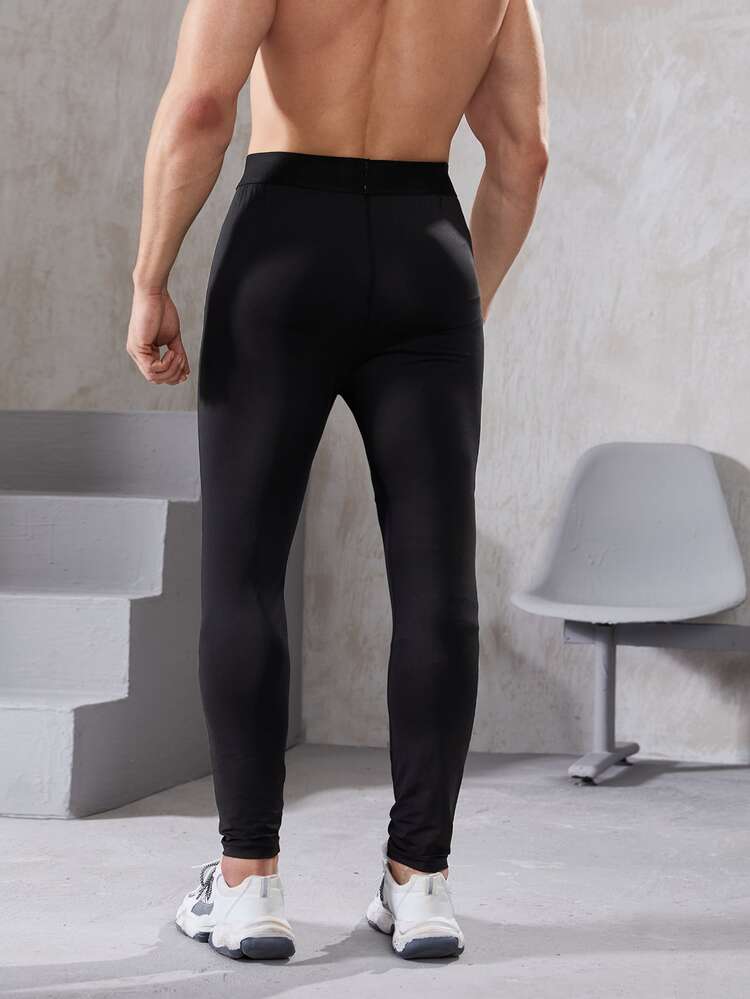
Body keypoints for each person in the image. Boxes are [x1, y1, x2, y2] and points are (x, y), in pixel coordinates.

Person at [127, 0, 548, 963]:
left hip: (283, 248)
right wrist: (457, 310)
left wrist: (150, 279)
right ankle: (422, 881)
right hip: (426, 251)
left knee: (243, 571)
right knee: (437, 585)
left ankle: (248, 885)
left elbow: (201, 108)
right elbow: (523, 156)